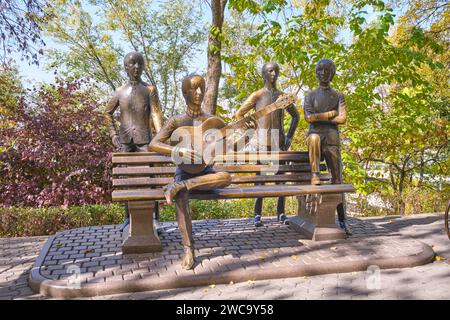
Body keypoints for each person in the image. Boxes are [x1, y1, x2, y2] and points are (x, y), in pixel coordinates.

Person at [149, 74, 255, 270]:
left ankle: (180, 186)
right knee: (181, 198)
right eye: (193, 88)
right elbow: (153, 144)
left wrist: (248, 135)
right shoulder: (177, 121)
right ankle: (188, 249)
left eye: (201, 88)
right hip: (184, 172)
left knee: (226, 177)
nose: (198, 92)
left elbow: (232, 147)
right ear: (184, 92)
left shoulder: (213, 121)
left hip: (206, 175)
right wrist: (177, 150)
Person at [104, 51, 165, 231]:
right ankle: (128, 218)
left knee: (150, 179)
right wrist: (113, 135)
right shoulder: (119, 92)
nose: (136, 67)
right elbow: (107, 114)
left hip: (145, 140)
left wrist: (160, 136)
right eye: (132, 63)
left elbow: (155, 113)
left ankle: (155, 218)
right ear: (126, 67)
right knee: (128, 181)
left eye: (140, 63)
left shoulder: (150, 89)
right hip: (124, 141)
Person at [235, 62, 300, 227]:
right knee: (260, 180)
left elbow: (296, 116)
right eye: (270, 71)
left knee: (280, 181)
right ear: (264, 74)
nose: (274, 74)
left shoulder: (282, 96)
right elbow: (239, 114)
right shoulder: (257, 95)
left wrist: (289, 137)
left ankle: (281, 213)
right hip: (261, 143)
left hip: (279, 143)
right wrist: (247, 127)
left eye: (276, 71)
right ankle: (257, 215)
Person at [303, 58, 351, 235]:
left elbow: (342, 118)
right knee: (314, 138)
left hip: (332, 138)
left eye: (327, 70)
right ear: (316, 72)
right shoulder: (310, 96)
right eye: (320, 70)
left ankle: (342, 219)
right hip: (315, 136)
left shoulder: (338, 96)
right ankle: (315, 174)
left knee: (337, 179)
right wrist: (330, 114)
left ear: (332, 73)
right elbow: (308, 118)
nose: (323, 73)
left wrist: (320, 116)